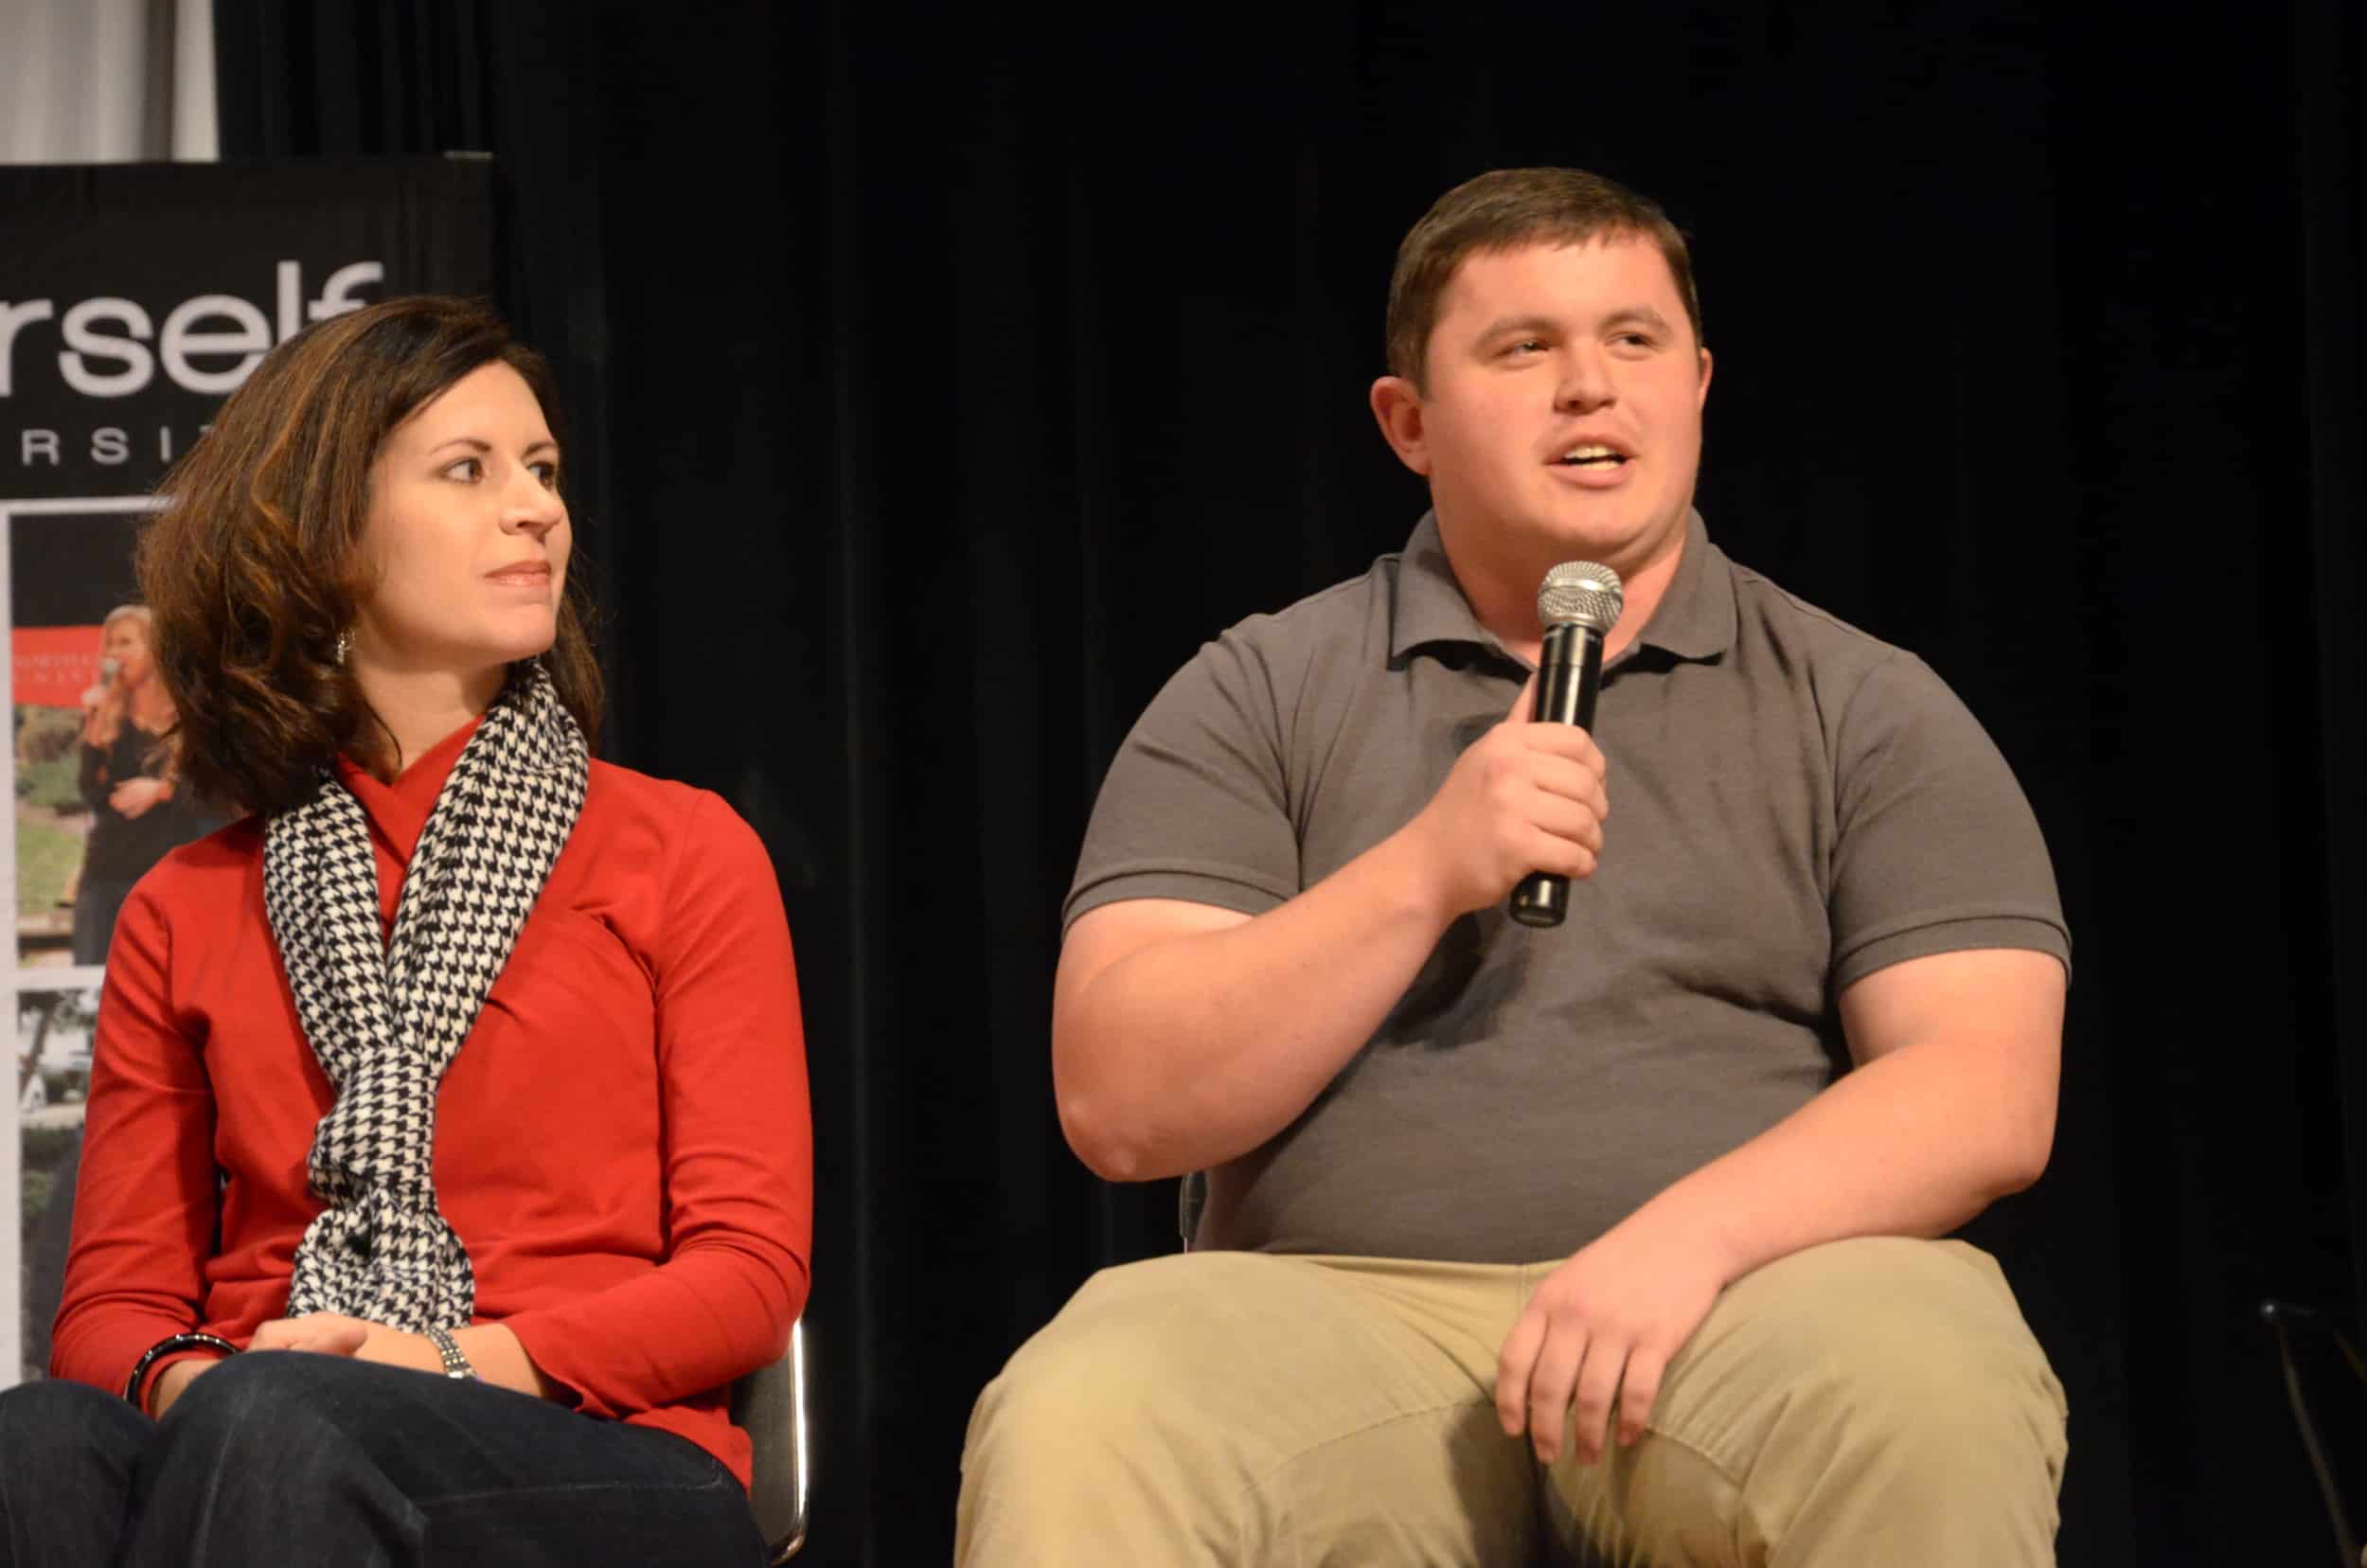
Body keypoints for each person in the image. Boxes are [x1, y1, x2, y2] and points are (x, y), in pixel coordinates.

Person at [957, 168, 2070, 1565]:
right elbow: (1123, 1100)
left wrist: (1687, 1242)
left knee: (1929, 1377)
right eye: (1523, 349)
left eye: (1633, 340)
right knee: (1094, 1399)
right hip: (1335, 1318)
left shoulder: (1865, 702)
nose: (1590, 388)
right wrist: (1423, 868)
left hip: (1749, 1308)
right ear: (1407, 424)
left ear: (1701, 384)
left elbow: (1983, 1089)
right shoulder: (1257, 690)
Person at [0, 295, 811, 1566]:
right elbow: (111, 1312)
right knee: (37, 1444)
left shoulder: (682, 850)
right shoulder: (187, 903)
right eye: (469, 470)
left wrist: (444, 1362)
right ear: (322, 535)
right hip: (265, 1417)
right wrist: (195, 1384)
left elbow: (750, 1275)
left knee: (288, 1427)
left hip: (603, 1452)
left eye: (542, 470)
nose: (537, 506)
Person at [69, 604, 222, 965]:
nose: (113, 654)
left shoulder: (190, 715)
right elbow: (92, 794)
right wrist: (93, 730)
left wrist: (161, 790)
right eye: (109, 645)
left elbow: (217, 792)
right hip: (107, 871)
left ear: (155, 648)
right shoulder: (108, 714)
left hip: (167, 871)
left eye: (125, 643)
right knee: (93, 986)